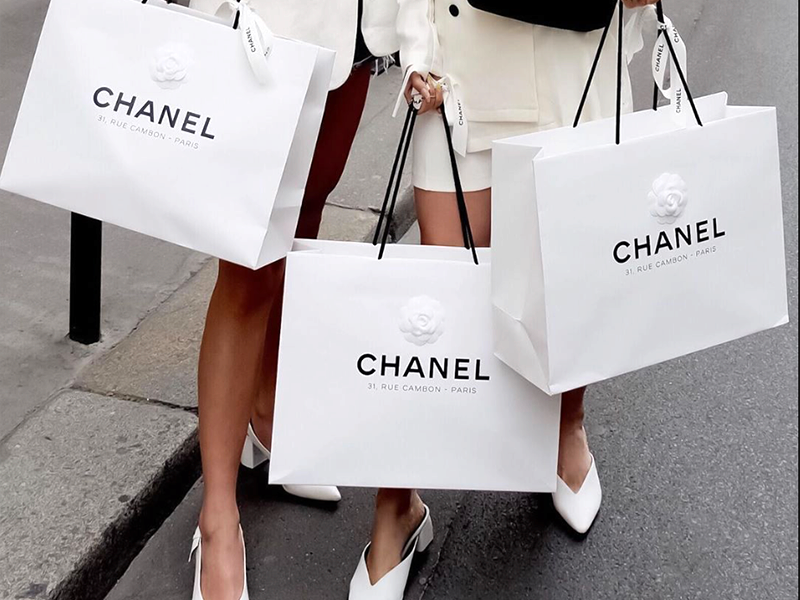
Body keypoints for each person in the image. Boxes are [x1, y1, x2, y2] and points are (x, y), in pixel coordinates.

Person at [348, 1, 659, 598]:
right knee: (438, 301)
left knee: (568, 264)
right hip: (461, 60)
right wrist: (415, 47)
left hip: (574, 54)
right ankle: (398, 500)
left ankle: (567, 424)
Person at [186, 1, 399, 599]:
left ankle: (268, 413)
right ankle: (217, 519)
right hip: (269, 27)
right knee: (249, 256)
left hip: (358, 26)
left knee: (303, 221)